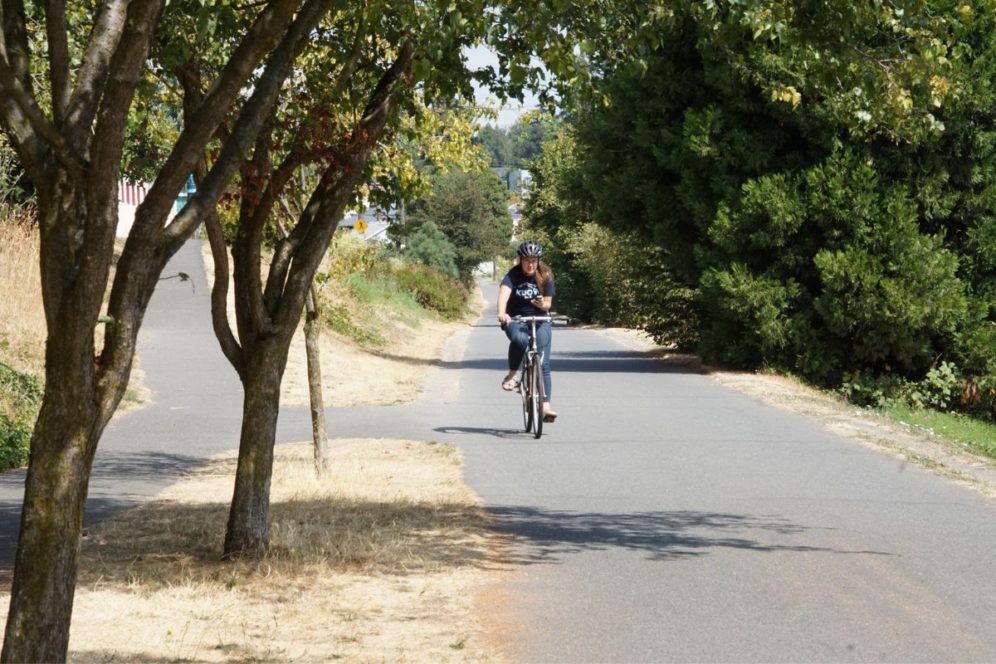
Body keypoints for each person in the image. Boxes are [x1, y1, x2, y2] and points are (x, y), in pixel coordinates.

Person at [497, 240, 557, 422]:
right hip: (516, 319)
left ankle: (546, 407)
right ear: (520, 260)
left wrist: (542, 305)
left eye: (534, 260)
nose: (530, 264)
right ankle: (512, 375)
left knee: (544, 363)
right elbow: (503, 295)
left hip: (540, 320)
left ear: (538, 260)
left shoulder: (545, 275)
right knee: (519, 339)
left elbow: (548, 302)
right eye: (526, 260)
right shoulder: (512, 275)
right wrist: (502, 313)